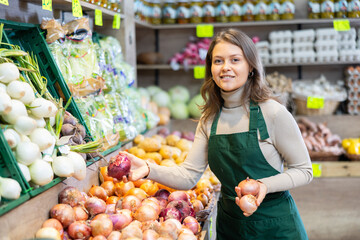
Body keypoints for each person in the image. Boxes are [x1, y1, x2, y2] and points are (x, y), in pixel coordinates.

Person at [122, 28, 313, 239]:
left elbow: (304, 170)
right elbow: (188, 175)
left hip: (275, 225)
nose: (226, 68)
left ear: (250, 66)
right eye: (218, 61)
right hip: (230, 226)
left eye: (235, 60)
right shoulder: (209, 119)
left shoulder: (272, 112)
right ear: (211, 68)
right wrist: (149, 168)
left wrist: (264, 185)